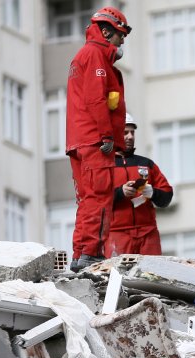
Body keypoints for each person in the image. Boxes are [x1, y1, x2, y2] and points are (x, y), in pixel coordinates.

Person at [66, 6, 132, 272]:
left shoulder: (86, 56)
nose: (122, 41)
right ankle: (91, 254)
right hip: (95, 141)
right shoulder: (95, 56)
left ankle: (81, 254)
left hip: (81, 141)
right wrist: (107, 135)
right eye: (119, 35)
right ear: (106, 31)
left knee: (88, 200)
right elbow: (96, 99)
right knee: (100, 199)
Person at [106, 113, 173, 257]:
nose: (130, 136)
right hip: (117, 234)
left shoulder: (146, 164)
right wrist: (120, 192)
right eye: (125, 132)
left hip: (148, 234)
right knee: (121, 278)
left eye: (132, 132)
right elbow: (95, 200)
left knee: (152, 277)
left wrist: (152, 192)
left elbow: (167, 196)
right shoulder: (104, 166)